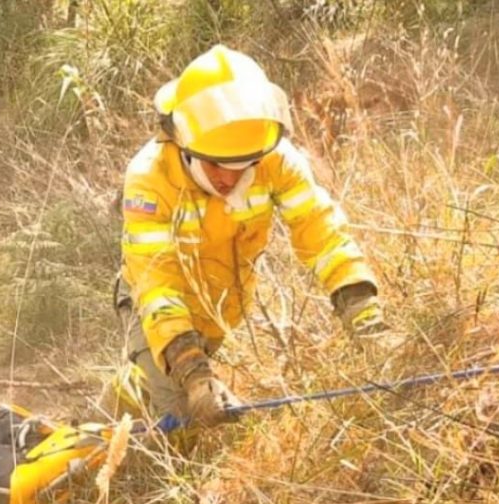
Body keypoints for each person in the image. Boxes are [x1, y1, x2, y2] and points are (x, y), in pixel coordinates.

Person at [116, 44, 387, 429]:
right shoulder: (150, 177)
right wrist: (193, 372)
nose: (231, 178)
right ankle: (126, 401)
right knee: (185, 421)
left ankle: (134, 385)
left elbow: (321, 230)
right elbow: (158, 285)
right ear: (184, 143)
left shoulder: (275, 159)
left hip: (220, 308)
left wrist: (363, 312)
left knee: (170, 396)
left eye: (245, 166)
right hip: (154, 306)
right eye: (216, 165)